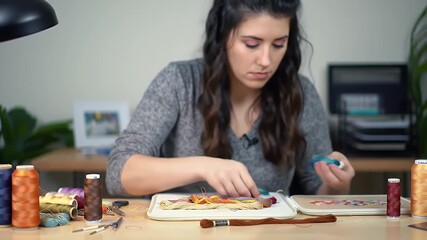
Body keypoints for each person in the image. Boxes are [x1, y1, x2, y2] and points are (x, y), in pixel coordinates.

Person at [106, 0, 355, 198]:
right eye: (251, 44)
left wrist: (336, 185)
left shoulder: (300, 92)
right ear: (223, 36)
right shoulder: (179, 81)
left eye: (279, 44)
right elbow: (119, 174)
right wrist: (204, 166)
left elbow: (317, 191)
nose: (266, 61)